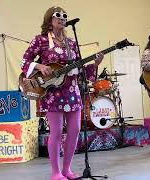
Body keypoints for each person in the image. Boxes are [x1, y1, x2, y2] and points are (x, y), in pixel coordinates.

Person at [21, 6, 104, 180]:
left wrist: (94, 65)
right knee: (57, 132)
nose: (62, 19)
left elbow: (80, 69)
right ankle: (56, 172)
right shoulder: (40, 40)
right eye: (57, 16)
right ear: (49, 20)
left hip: (72, 91)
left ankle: (67, 169)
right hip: (52, 92)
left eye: (64, 16)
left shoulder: (72, 43)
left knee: (74, 130)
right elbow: (25, 61)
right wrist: (40, 66)